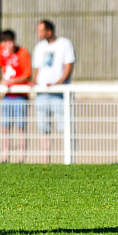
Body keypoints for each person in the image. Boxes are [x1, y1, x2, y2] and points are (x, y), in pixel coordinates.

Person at [0, 30, 32, 163]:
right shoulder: (2, 52)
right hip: (7, 96)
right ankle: (5, 156)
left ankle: (21, 157)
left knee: (21, 127)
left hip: (20, 96)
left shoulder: (23, 52)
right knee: (5, 127)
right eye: (5, 43)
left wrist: (11, 82)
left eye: (10, 42)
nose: (8, 45)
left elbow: (27, 75)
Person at [31, 19, 75, 163]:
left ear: (49, 31)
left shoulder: (64, 44)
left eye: (40, 31)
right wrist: (34, 82)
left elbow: (68, 67)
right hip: (42, 95)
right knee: (43, 129)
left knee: (65, 128)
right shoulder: (39, 47)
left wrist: (57, 84)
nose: (38, 34)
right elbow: (37, 69)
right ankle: (46, 161)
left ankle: (68, 160)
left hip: (59, 94)